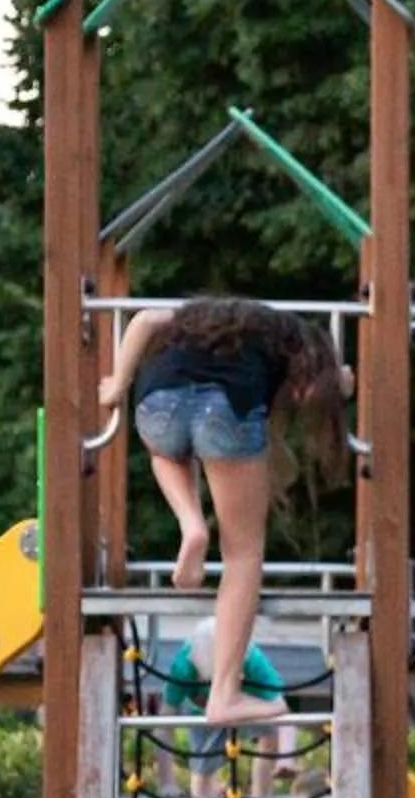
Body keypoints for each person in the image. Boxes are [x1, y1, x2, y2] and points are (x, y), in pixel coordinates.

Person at [97, 297, 351, 728]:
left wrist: (118, 383)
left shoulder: (195, 323)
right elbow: (313, 390)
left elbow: (143, 319)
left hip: (156, 405)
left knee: (167, 454)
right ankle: (225, 694)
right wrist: (342, 383)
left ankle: (191, 524)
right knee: (243, 556)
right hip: (226, 411)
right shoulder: (288, 339)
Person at [145, 618, 295, 798]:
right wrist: (166, 782)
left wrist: (236, 705)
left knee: (270, 735)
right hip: (203, 715)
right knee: (201, 771)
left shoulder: (252, 661)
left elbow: (281, 708)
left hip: (247, 703)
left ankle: (262, 795)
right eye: (209, 682)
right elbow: (163, 725)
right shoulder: (185, 665)